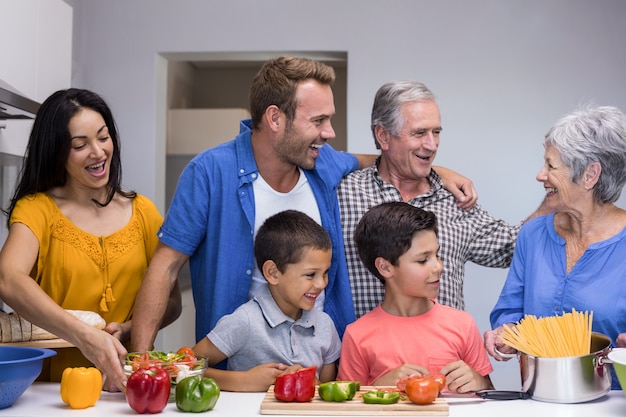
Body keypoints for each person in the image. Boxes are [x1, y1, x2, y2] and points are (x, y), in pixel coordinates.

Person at [130, 57, 476, 353]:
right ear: (275, 119)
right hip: (233, 368)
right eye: (318, 121)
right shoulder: (209, 172)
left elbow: (373, 157)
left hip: (322, 361)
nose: (330, 133)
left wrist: (434, 169)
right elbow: (166, 267)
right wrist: (139, 364)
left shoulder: (322, 165)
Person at [0, 88, 181, 392]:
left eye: (103, 137)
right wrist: (83, 335)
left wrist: (127, 329)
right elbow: (8, 278)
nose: (98, 152)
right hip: (51, 392)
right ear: (57, 152)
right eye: (80, 144)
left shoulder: (144, 212)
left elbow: (172, 301)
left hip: (124, 389)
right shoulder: (36, 210)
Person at [339, 80, 549, 319]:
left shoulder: (455, 199)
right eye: (419, 133)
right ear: (383, 136)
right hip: (363, 353)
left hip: (443, 355)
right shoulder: (343, 194)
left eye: (436, 132)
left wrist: (555, 195)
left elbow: (513, 247)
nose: (432, 145)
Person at [485, 105, 626, 390]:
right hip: (539, 398)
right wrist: (506, 331)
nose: (540, 175)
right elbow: (510, 309)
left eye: (551, 165)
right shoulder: (533, 234)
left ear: (590, 175)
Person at [337, 202, 494, 393]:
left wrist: (480, 382)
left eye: (437, 254)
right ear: (385, 267)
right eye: (422, 260)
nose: (438, 267)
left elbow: (488, 394)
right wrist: (375, 388)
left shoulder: (462, 324)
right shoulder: (358, 335)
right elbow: (346, 407)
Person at [193, 210, 340, 392]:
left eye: (325, 272)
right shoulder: (244, 321)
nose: (321, 283)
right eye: (311, 275)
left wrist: (309, 380)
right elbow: (184, 368)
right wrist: (244, 380)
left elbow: (326, 390)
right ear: (272, 272)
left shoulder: (325, 326)